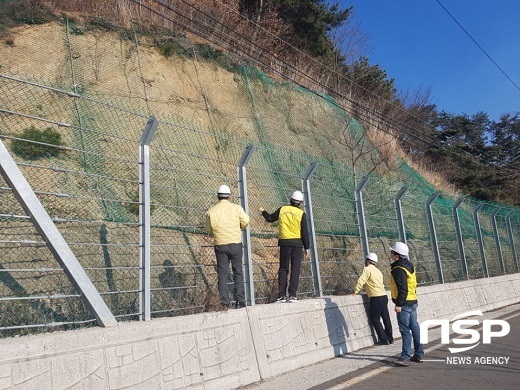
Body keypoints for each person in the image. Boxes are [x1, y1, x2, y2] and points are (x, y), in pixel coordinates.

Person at [259, 190, 309, 302]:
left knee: (283, 268)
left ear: (290, 200)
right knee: (295, 269)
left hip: (285, 243)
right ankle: (292, 295)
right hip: (297, 244)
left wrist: (263, 212)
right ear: (300, 203)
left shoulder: (282, 209)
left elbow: (270, 218)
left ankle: (281, 295)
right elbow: (305, 232)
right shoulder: (301, 214)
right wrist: (307, 247)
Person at [205, 185, 250, 309]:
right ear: (230, 196)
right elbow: (246, 220)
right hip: (235, 243)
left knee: (222, 273)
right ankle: (240, 301)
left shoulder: (211, 211)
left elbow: (209, 229)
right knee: (238, 272)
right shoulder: (237, 208)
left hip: (220, 244)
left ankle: (224, 302)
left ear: (218, 197)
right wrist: (240, 226)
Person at [389, 241, 424, 366]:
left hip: (404, 303)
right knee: (415, 327)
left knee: (405, 330)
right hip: (413, 301)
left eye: (392, 252)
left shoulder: (398, 269)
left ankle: (405, 357)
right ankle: (419, 354)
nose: (390, 253)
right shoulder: (409, 265)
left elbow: (402, 288)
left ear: (397, 254)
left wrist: (398, 304)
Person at [352, 252, 393, 345]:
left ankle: (383, 339)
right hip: (384, 296)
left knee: (375, 318)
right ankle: (390, 337)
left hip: (376, 297)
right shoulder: (378, 271)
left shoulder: (367, 269)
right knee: (386, 317)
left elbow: (361, 280)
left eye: (366, 259)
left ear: (368, 260)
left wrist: (355, 291)